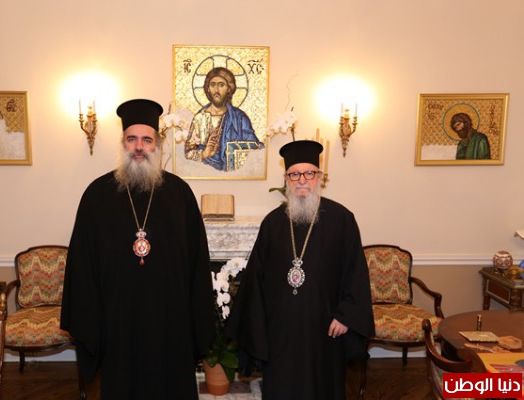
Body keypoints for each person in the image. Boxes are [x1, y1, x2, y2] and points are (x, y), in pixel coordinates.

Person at [60, 99, 215, 399]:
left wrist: (197, 320)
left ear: (158, 145)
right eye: (132, 139)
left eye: (147, 139)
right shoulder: (97, 195)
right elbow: (82, 264)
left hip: (170, 319)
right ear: (123, 144)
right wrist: (92, 320)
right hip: (118, 320)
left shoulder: (180, 194)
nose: (139, 147)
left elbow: (198, 262)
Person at [226, 140, 374, 400]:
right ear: (286, 179)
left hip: (325, 328)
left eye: (309, 173)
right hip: (281, 329)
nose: (302, 180)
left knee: (323, 385)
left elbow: (356, 273)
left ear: (320, 177)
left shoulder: (342, 219)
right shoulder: (272, 223)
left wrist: (346, 315)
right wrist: (259, 326)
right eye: (294, 174)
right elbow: (256, 280)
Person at [184, 67, 263, 171]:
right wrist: (204, 153)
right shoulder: (199, 118)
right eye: (213, 85)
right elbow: (188, 153)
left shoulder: (239, 118)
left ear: (229, 88)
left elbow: (256, 148)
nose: (216, 90)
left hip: (234, 173)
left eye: (221, 85)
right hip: (205, 171)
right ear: (208, 88)